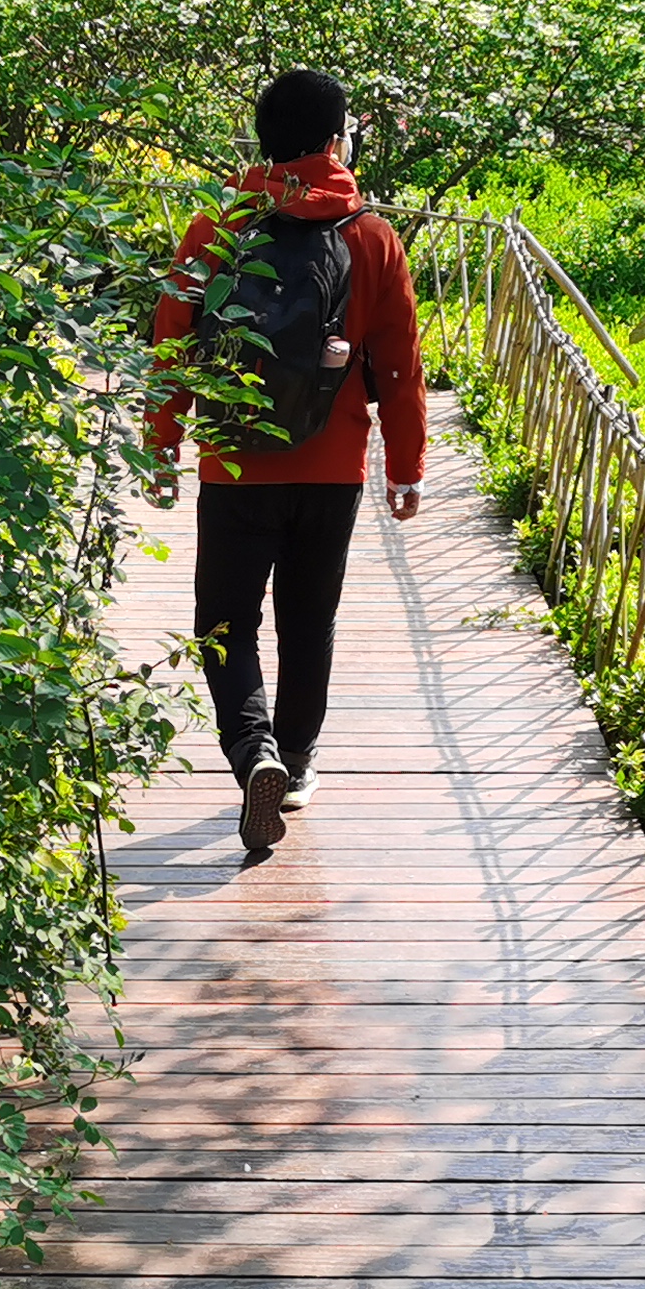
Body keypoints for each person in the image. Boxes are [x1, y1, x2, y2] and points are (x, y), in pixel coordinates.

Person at [145, 69, 426, 857]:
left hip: (232, 462)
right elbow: (399, 363)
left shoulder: (217, 228)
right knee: (310, 618)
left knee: (224, 621)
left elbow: (173, 340)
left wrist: (162, 442)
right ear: (336, 139)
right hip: (334, 466)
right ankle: (295, 763)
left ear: (258, 138)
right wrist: (406, 466)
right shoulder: (371, 235)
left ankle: (252, 753)